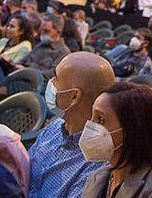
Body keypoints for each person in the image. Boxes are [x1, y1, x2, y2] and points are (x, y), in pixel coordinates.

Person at [28, 53, 116, 198]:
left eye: (56, 78)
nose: (50, 83)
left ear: (74, 96)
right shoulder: (55, 126)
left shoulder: (96, 163)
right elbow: (24, 169)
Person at [77, 82, 152, 198]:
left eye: (100, 119)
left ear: (131, 129)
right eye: (92, 117)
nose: (90, 126)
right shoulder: (96, 177)